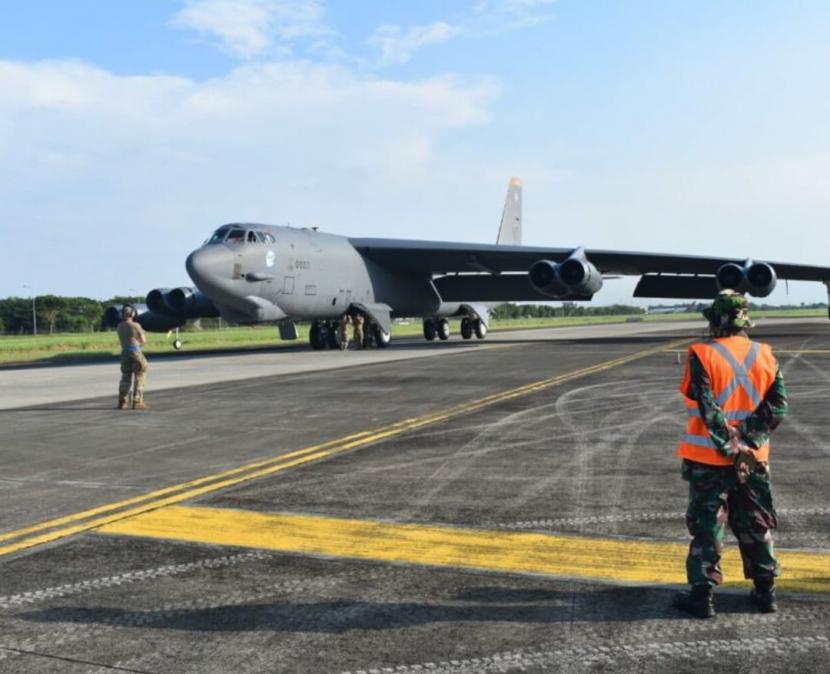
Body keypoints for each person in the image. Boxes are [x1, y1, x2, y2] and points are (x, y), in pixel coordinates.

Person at [674, 290, 787, 618]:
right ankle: (766, 593)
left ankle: (703, 597)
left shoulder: (702, 354)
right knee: (755, 521)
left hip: (709, 458)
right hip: (753, 461)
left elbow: (707, 406)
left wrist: (729, 444)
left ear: (716, 321)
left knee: (708, 526)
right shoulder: (765, 354)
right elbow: (778, 405)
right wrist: (748, 442)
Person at [116, 305, 149, 410]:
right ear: (132, 314)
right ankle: (137, 402)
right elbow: (143, 340)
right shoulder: (136, 325)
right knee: (140, 376)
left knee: (125, 378)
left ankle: (122, 402)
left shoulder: (119, 326)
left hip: (124, 353)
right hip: (135, 353)